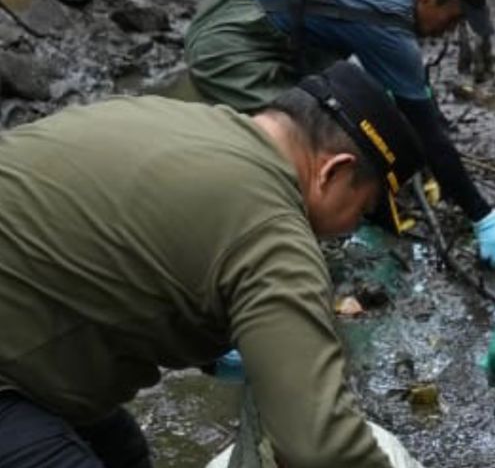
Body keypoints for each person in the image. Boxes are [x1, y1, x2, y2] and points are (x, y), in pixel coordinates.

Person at [0, 60, 425, 467]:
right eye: (364, 209)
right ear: (333, 171)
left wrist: (215, 351)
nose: (350, 227)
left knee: (122, 452)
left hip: (26, 326)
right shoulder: (273, 232)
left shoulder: (176, 118)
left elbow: (119, 252)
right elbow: (321, 446)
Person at [183, 0, 495, 270]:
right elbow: (429, 137)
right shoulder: (389, 30)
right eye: (455, 17)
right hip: (226, 47)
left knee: (337, 96)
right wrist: (482, 216)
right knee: (295, 142)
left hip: (234, 3)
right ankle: (259, 244)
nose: (451, 29)